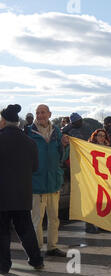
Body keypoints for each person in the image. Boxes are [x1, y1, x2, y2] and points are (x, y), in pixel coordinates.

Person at [0, 105, 44, 274]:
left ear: (3, 121)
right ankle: (36, 260)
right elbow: (35, 167)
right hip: (22, 194)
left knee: (2, 232)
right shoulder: (30, 142)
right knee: (26, 230)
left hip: (2, 195)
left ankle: (4, 265)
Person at [25, 104, 69, 257]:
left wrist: (64, 145)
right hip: (37, 183)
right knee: (37, 220)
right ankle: (36, 249)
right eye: (38, 112)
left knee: (54, 219)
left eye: (43, 112)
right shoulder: (28, 132)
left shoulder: (57, 132)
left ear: (50, 114)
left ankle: (52, 247)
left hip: (53, 182)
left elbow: (61, 157)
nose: (40, 115)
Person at [84, 129, 111, 234]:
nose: (102, 138)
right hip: (92, 179)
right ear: (95, 136)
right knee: (91, 203)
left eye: (104, 136)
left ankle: (102, 225)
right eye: (99, 135)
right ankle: (89, 225)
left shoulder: (108, 148)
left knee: (103, 203)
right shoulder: (88, 147)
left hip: (104, 180)